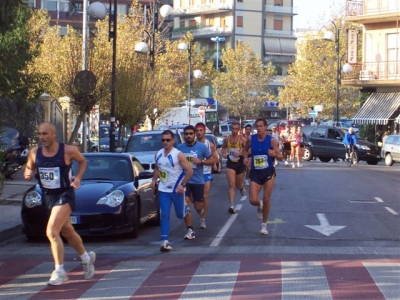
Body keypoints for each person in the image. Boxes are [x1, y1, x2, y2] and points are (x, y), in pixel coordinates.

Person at [23, 122, 96, 285]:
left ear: (54, 134)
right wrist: (27, 173)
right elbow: (28, 168)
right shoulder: (35, 152)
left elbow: (83, 161)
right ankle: (86, 258)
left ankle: (60, 270)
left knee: (51, 231)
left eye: (45, 134)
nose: (42, 137)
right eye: (40, 134)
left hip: (65, 194)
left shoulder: (68, 150)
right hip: (48, 196)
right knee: (68, 232)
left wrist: (78, 178)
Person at [151, 130, 193, 252]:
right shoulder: (158, 154)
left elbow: (190, 171)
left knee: (180, 215)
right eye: (163, 140)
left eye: (168, 140)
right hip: (164, 190)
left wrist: (183, 185)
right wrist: (154, 179)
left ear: (173, 141)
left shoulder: (178, 155)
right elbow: (158, 168)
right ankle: (164, 241)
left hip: (177, 190)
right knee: (164, 215)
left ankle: (186, 210)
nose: (165, 142)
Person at [243, 118, 283, 235]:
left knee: (266, 199)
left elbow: (280, 157)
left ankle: (264, 225)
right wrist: (246, 158)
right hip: (255, 172)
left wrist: (274, 154)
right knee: (252, 200)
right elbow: (244, 150)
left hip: (268, 172)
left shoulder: (272, 141)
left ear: (265, 127)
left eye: (261, 126)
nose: (259, 128)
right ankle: (259, 204)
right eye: (257, 126)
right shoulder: (251, 139)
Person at [177, 125, 214, 240]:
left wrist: (201, 161)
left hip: (198, 180)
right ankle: (190, 229)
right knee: (185, 203)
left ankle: (201, 211)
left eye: (190, 133)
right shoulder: (179, 147)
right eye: (186, 134)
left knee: (198, 206)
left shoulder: (202, 147)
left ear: (194, 135)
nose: (188, 136)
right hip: (184, 180)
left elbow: (212, 160)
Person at [195, 123, 218, 229]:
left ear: (204, 132)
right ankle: (200, 210)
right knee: (194, 199)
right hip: (195, 174)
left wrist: (213, 164)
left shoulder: (210, 145)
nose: (199, 132)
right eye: (197, 131)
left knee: (204, 196)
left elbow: (215, 158)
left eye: (201, 130)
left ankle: (203, 219)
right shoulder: (192, 145)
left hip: (206, 173)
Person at [221, 122, 247, 213]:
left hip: (240, 163)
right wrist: (224, 153)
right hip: (230, 163)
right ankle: (232, 205)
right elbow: (223, 148)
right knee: (231, 185)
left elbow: (247, 150)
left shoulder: (242, 140)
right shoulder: (227, 139)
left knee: (238, 184)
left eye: (236, 129)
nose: (234, 131)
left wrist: (240, 153)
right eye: (233, 129)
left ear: (239, 130)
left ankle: (241, 188)